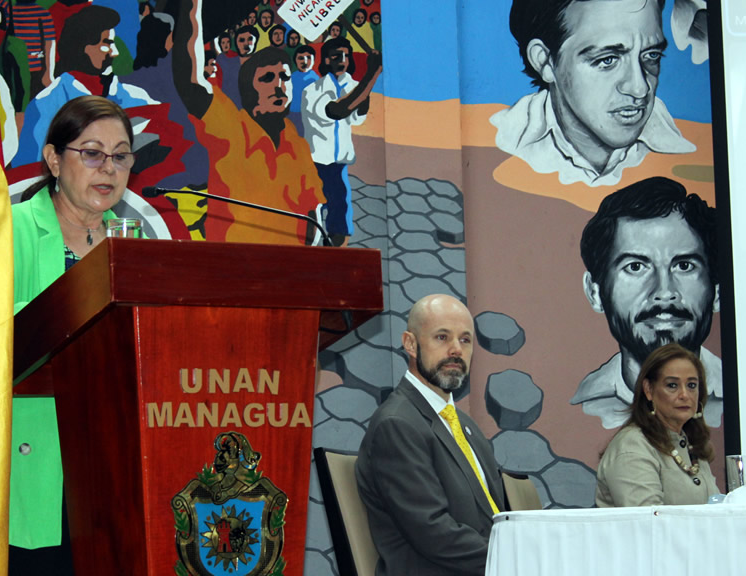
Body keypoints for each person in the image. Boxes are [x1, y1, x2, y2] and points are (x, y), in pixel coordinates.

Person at [9, 96, 135, 574]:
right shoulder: (12, 230)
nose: (109, 167)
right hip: (35, 456)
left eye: (121, 155)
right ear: (54, 159)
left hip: (112, 463)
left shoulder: (134, 244)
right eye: (92, 152)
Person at [356, 294, 507, 576]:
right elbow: (434, 533)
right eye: (441, 337)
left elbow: (496, 518)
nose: (456, 350)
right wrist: (515, 558)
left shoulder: (465, 426)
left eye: (465, 340)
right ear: (410, 344)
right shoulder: (397, 424)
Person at [490, 0, 695, 187]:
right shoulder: (497, 145)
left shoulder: (687, 150)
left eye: (651, 56)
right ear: (545, 61)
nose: (640, 88)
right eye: (607, 60)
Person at [573, 177, 722, 429]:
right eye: (636, 267)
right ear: (595, 292)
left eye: (684, 266)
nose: (664, 293)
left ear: (717, 290)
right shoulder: (580, 409)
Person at [173, 0, 323, 245]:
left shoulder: (297, 144)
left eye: (285, 77)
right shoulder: (229, 127)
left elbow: (313, 218)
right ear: (248, 90)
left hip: (290, 271)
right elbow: (189, 79)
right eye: (267, 78)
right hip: (232, 270)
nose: (279, 85)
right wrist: (193, 5)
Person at [11, 5, 156, 168]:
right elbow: (29, 173)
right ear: (82, 47)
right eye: (107, 43)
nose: (115, 52)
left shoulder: (137, 98)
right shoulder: (46, 105)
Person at [595, 343, 719, 507]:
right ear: (648, 389)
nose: (684, 395)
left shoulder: (691, 445)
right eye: (672, 385)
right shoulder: (633, 445)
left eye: (692, 385)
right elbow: (648, 522)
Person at [302, 37, 381, 246]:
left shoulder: (354, 86)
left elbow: (358, 115)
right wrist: (371, 77)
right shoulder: (313, 91)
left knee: (340, 210)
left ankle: (335, 249)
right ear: (326, 60)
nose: (342, 60)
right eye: (336, 55)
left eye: (346, 55)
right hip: (317, 160)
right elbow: (337, 110)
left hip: (338, 162)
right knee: (315, 208)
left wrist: (367, 83)